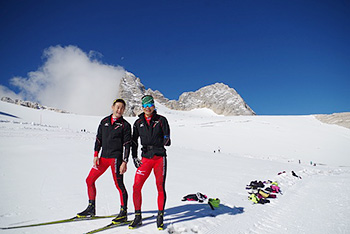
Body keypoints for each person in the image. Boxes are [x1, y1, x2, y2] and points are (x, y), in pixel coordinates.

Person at [77, 99, 131, 224]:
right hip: (103, 158)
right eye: (117, 107)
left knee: (119, 185)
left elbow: (127, 145)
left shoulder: (125, 125)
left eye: (122, 108)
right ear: (112, 107)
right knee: (89, 180)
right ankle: (91, 208)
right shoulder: (104, 122)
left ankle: (123, 213)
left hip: (116, 159)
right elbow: (98, 139)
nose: (119, 110)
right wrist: (96, 155)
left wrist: (125, 161)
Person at [129, 95, 171, 230]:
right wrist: (134, 156)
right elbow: (134, 141)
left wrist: (166, 140)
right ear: (142, 107)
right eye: (145, 105)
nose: (148, 108)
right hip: (145, 158)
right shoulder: (137, 123)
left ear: (154, 106)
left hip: (159, 158)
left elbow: (167, 136)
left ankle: (160, 216)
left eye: (150, 105)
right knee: (136, 186)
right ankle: (137, 216)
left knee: (160, 186)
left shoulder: (161, 120)